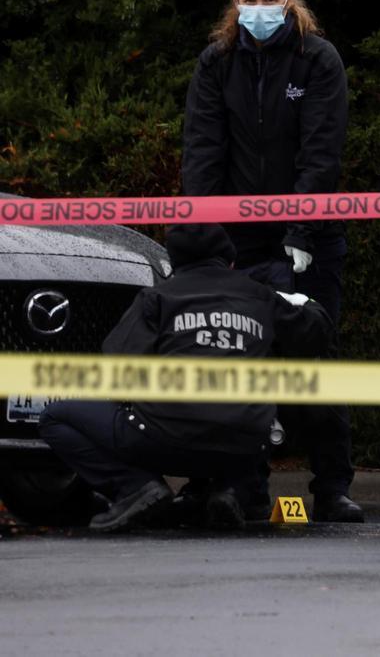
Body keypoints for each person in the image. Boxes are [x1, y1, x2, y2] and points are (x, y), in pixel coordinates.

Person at [181, 0, 362, 523]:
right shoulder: (217, 60)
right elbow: (203, 154)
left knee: (315, 356)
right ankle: (244, 486)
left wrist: (299, 232)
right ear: (234, 0)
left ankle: (332, 485)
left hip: (307, 239)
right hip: (240, 240)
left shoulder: (317, 59)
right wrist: (209, 240)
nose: (257, 9)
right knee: (232, 358)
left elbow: (321, 152)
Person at [38, 225, 334, 533]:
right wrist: (306, 302)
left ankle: (137, 488)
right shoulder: (260, 296)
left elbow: (117, 366)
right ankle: (231, 490)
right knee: (265, 405)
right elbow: (314, 336)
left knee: (55, 417)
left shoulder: (157, 297)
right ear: (230, 261)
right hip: (243, 446)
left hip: (162, 440)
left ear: (174, 264)